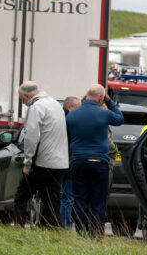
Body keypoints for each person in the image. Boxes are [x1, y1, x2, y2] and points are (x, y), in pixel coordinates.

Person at [66, 83, 124, 236]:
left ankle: (81, 233)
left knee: (79, 200)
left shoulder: (72, 114)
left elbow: (68, 137)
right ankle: (96, 234)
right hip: (99, 163)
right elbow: (119, 118)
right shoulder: (104, 114)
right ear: (100, 98)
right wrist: (109, 101)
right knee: (98, 201)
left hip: (78, 162)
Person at [14, 81, 69, 227]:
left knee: (21, 196)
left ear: (27, 95)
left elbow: (32, 136)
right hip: (60, 162)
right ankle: (53, 230)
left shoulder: (36, 107)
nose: (24, 103)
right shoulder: (56, 104)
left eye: (22, 99)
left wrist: (27, 162)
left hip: (43, 161)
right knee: (51, 200)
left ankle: (18, 228)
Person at [59, 96, 81, 229]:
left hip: (62, 162)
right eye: (78, 107)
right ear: (70, 107)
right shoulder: (69, 120)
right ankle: (65, 226)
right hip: (69, 163)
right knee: (68, 198)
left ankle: (64, 225)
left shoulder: (61, 118)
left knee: (65, 197)